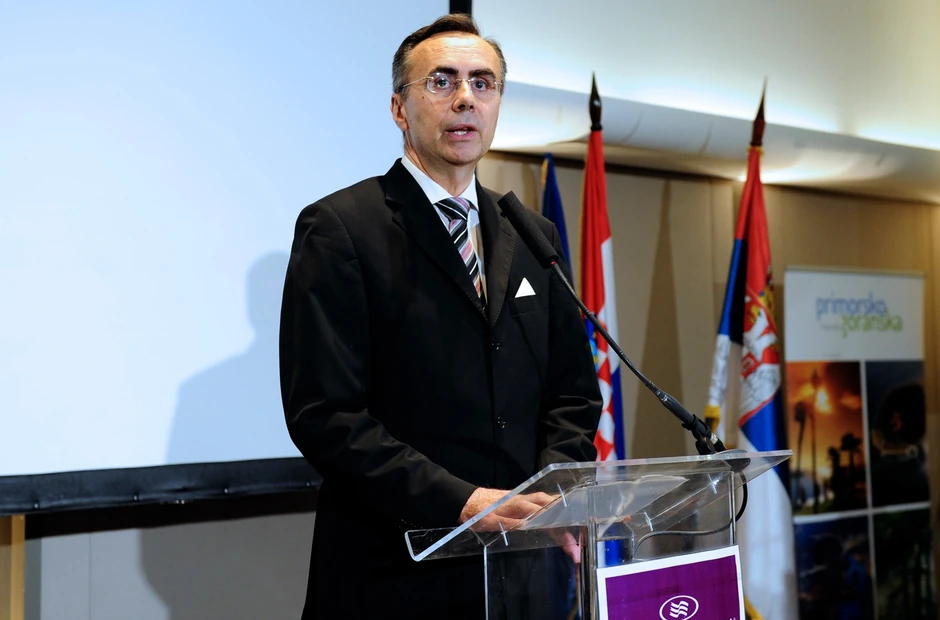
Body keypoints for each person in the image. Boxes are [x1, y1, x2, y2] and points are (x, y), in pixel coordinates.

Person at [279, 13, 602, 619]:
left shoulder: (530, 232)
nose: (465, 99)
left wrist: (551, 492)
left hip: (522, 572)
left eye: (483, 83)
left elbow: (573, 395)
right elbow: (325, 414)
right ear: (399, 108)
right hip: (396, 573)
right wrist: (464, 501)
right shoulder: (341, 228)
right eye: (442, 81)